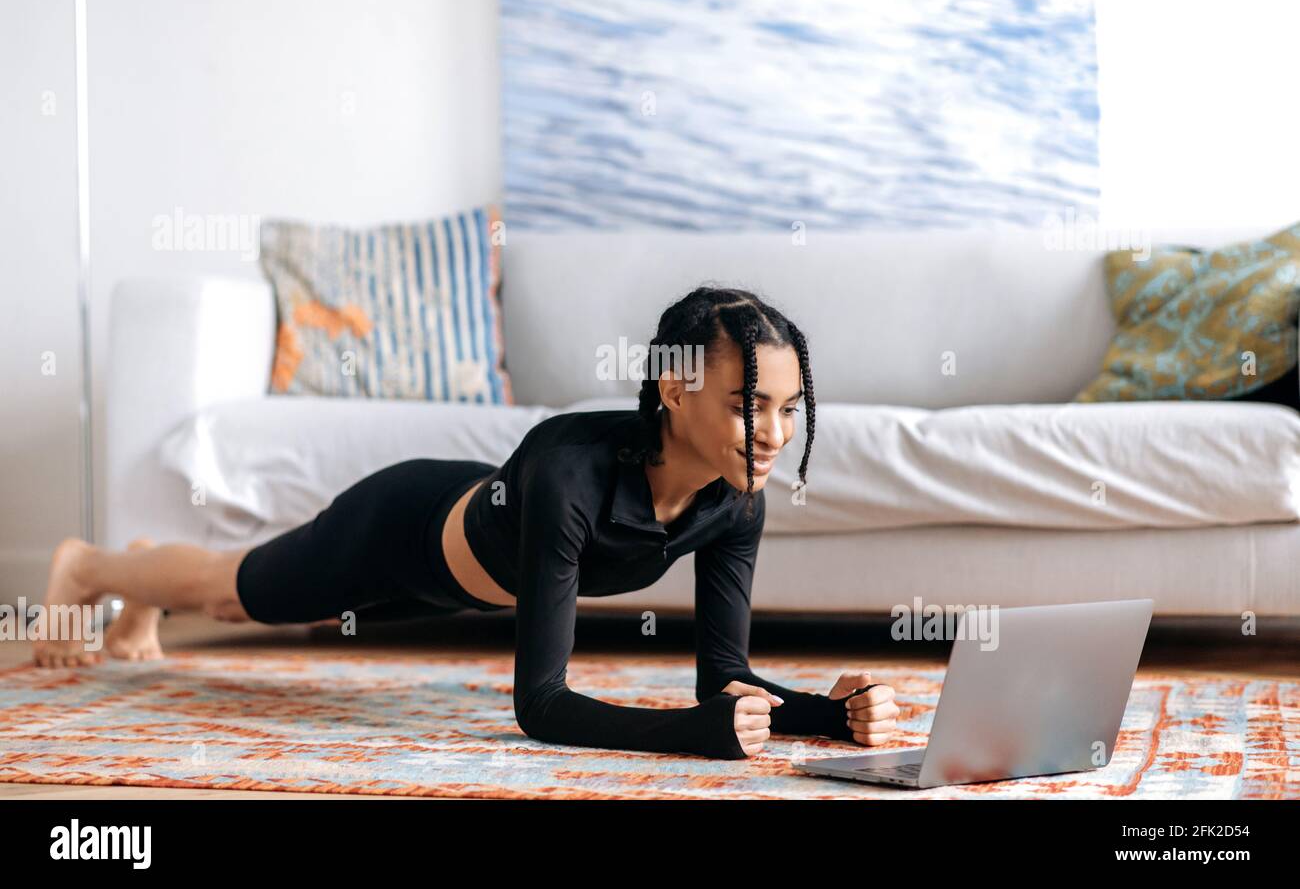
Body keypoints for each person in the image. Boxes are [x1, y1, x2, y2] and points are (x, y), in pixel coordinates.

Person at [34, 286, 899, 760]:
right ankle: (95, 568)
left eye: (789, 409)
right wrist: (687, 736)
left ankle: (139, 571)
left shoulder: (734, 499)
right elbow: (542, 704)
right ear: (675, 390)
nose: (777, 435)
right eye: (752, 406)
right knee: (234, 596)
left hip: (463, 578)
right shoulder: (570, 470)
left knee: (234, 590)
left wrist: (828, 717)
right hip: (399, 527)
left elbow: (725, 679)